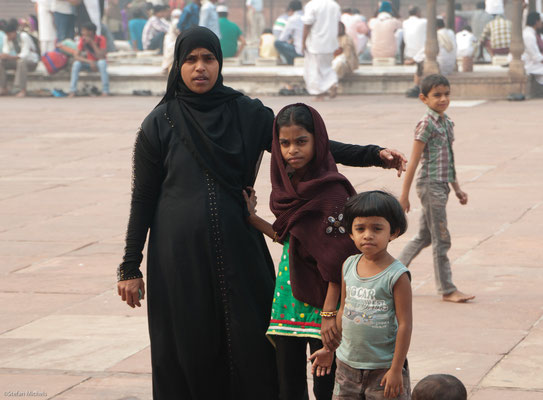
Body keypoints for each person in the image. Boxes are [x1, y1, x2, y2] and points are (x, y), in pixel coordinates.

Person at [116, 26, 408, 399]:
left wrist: (372, 154)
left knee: (250, 337)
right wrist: (129, 266)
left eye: (208, 59)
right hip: (178, 253)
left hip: (238, 243)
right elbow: (142, 197)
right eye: (190, 60)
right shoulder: (159, 122)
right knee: (188, 335)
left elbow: (308, 142)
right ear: (178, 64)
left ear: (220, 63)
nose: (200, 67)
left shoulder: (245, 112)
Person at [315, 190, 412, 399]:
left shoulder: (397, 275)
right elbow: (344, 310)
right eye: (360, 228)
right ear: (351, 233)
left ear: (393, 233)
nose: (367, 235)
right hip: (346, 366)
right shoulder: (348, 265)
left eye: (377, 228)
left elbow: (404, 324)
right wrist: (329, 349)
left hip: (383, 369)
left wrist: (396, 370)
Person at [399, 74, 475, 304]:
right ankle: (447, 289)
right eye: (437, 95)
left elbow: (448, 159)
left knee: (425, 236)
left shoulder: (446, 121)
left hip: (442, 185)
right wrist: (404, 195)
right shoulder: (426, 123)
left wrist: (458, 188)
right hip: (430, 185)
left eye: (446, 94)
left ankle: (390, 275)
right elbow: (413, 161)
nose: (443, 99)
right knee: (442, 238)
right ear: (424, 98)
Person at [302, 0, 341, 100]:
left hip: (316, 43)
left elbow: (307, 24)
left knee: (314, 69)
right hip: (331, 42)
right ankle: (332, 82)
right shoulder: (334, 5)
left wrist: (303, 42)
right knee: (327, 66)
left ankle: (320, 94)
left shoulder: (312, 5)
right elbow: (338, 23)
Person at [0, 19, 40, 98]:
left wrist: (10, 56)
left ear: (14, 32)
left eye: (9, 34)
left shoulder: (23, 36)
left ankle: (22, 89)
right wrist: (4, 56)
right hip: (17, 61)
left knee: (21, 62)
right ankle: (3, 87)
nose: (8, 37)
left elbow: (25, 54)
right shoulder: (7, 38)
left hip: (31, 61)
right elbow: (6, 50)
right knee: (1, 62)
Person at [68, 21, 109, 97]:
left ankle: (105, 90)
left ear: (90, 32)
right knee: (76, 64)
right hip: (89, 63)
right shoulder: (82, 40)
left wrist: (92, 43)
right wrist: (89, 61)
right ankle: (72, 90)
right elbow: (76, 56)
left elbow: (101, 56)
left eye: (84, 30)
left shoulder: (101, 39)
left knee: (102, 63)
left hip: (98, 64)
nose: (82, 32)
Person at [275, 0, 304, 65]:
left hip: (298, 52)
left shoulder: (292, 19)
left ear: (291, 10)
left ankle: (290, 61)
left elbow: (282, 38)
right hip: (307, 51)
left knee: (277, 43)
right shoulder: (305, 17)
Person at [522, 11, 543, 85]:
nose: (541, 23)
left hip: (535, 63)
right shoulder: (528, 35)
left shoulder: (533, 33)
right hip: (530, 65)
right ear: (536, 22)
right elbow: (536, 56)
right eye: (540, 21)